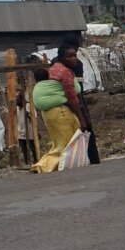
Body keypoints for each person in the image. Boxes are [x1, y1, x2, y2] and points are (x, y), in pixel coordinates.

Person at [32, 46, 88, 173]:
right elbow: (72, 98)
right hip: (60, 112)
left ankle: (54, 168)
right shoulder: (65, 72)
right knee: (68, 143)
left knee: (58, 144)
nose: (74, 59)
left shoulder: (53, 69)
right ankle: (43, 166)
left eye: (75, 55)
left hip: (49, 114)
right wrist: (82, 119)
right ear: (62, 57)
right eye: (70, 56)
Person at [53, 34, 100, 164]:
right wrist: (81, 108)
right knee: (86, 128)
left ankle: (68, 160)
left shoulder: (54, 61)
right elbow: (78, 87)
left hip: (59, 102)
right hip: (75, 98)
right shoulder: (76, 63)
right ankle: (92, 159)